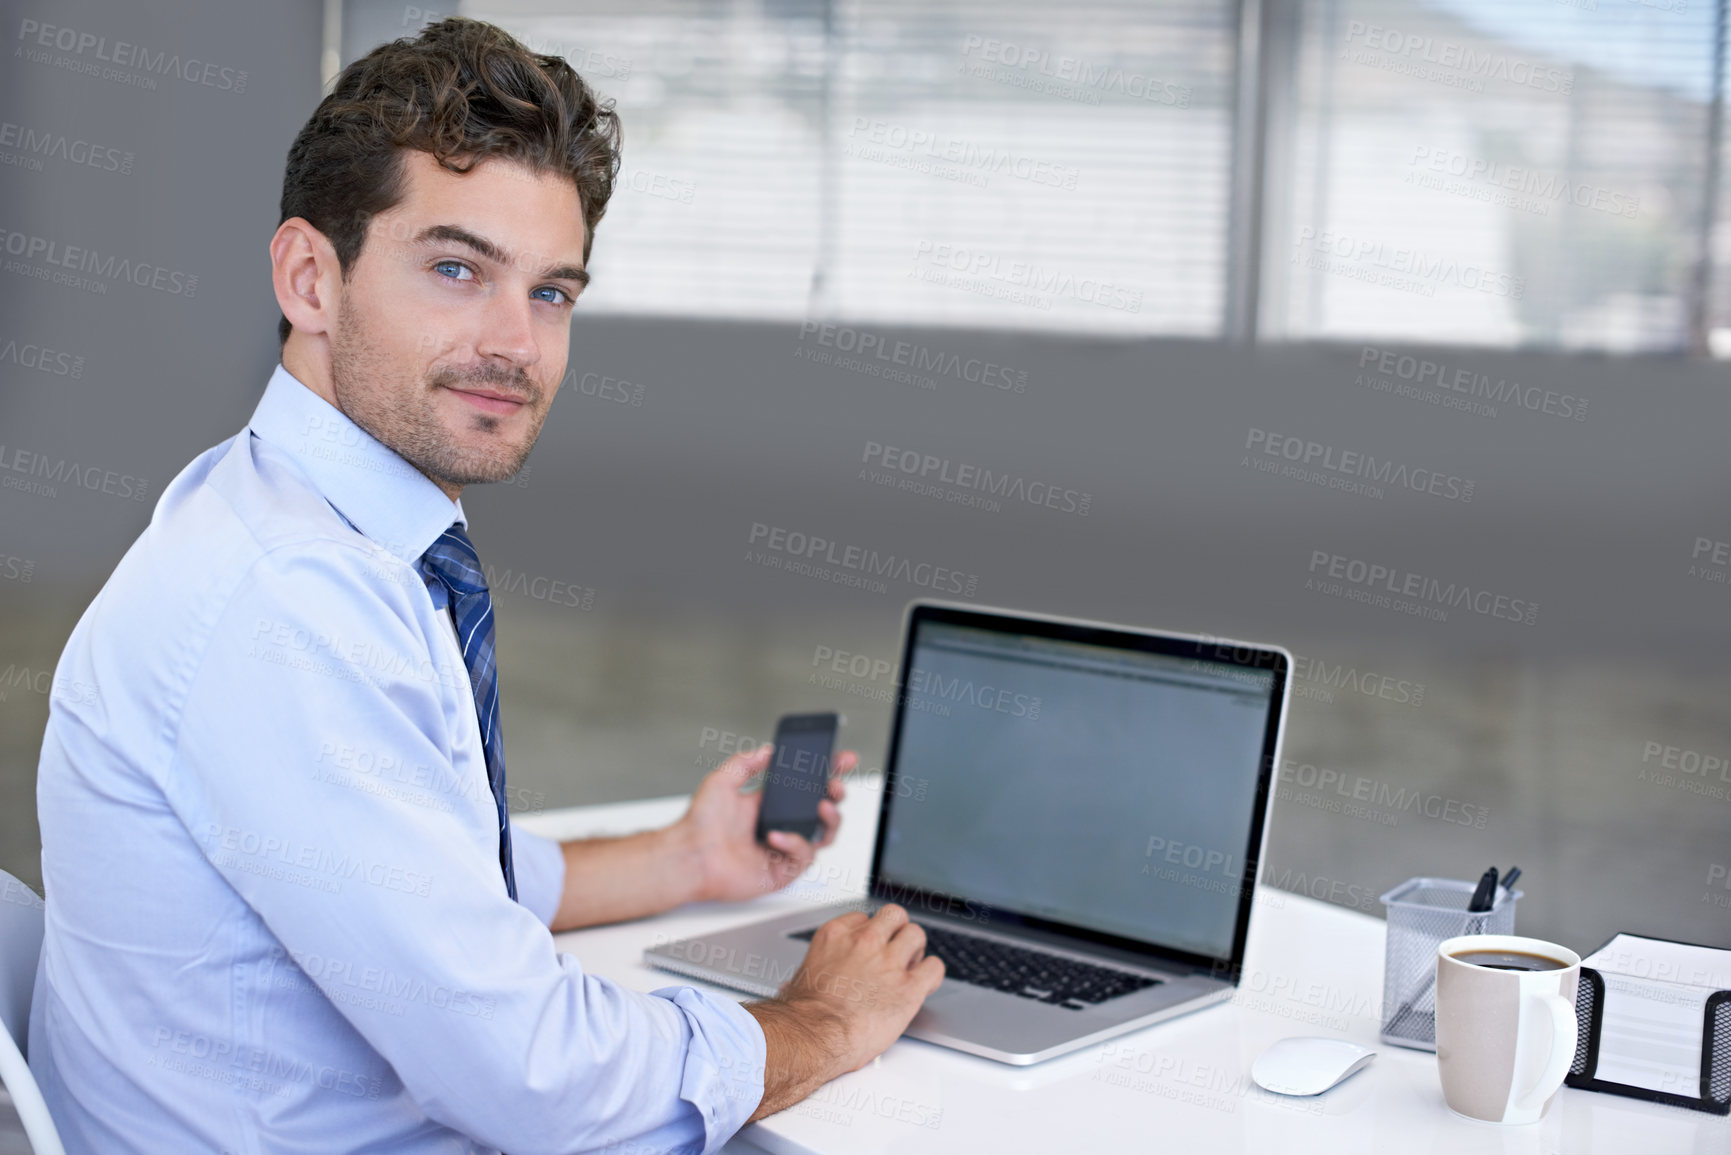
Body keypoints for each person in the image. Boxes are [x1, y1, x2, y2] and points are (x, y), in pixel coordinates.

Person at [30, 17, 943, 1154]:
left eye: (552, 293)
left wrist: (680, 859)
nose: (516, 342)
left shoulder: (302, 521)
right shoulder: (287, 602)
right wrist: (816, 1021)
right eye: (457, 271)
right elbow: (538, 1084)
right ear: (312, 276)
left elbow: (418, 874)